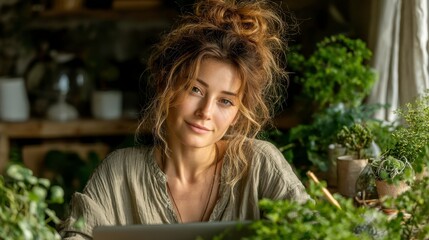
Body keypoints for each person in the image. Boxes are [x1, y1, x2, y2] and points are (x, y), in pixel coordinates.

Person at [59, 0, 310, 238]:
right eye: (195, 89)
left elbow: (315, 231)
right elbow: (77, 235)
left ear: (237, 113)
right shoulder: (120, 172)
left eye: (225, 101)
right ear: (165, 85)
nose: (205, 111)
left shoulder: (260, 165)